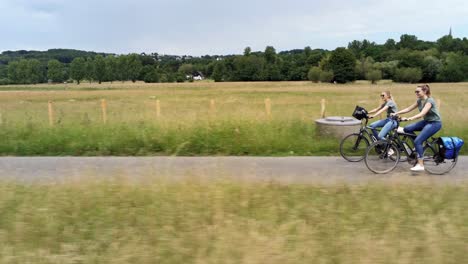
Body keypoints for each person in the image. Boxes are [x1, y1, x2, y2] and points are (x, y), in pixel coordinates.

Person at [394, 84, 442, 172]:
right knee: (407, 129)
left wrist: (409, 118)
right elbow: (409, 108)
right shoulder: (420, 100)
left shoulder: (429, 101)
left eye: (418, 91)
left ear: (425, 91)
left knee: (418, 141)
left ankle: (420, 165)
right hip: (426, 122)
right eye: (415, 91)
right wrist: (396, 113)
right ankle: (418, 146)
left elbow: (422, 114)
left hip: (435, 124)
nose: (416, 93)